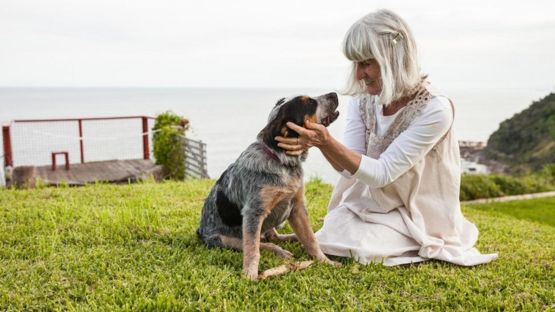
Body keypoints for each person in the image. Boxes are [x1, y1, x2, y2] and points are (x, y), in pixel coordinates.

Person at [275, 9, 497, 266]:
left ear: (394, 58)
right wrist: (321, 143)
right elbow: (349, 171)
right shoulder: (363, 100)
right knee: (335, 233)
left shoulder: (435, 110)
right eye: (355, 64)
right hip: (368, 203)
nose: (358, 75)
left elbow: (382, 173)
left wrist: (325, 141)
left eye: (366, 63)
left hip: (415, 211)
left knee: (362, 248)